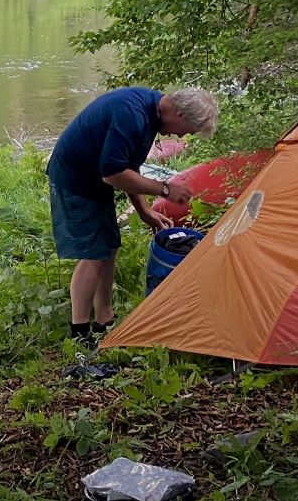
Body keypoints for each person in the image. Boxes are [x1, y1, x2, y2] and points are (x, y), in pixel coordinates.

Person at [47, 86, 220, 341]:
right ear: (181, 114)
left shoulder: (152, 112)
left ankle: (104, 319)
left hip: (95, 179)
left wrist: (144, 210)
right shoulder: (131, 113)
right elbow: (113, 174)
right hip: (75, 179)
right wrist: (165, 189)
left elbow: (128, 168)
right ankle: (79, 333)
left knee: (109, 246)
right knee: (93, 253)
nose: (181, 135)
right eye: (187, 130)